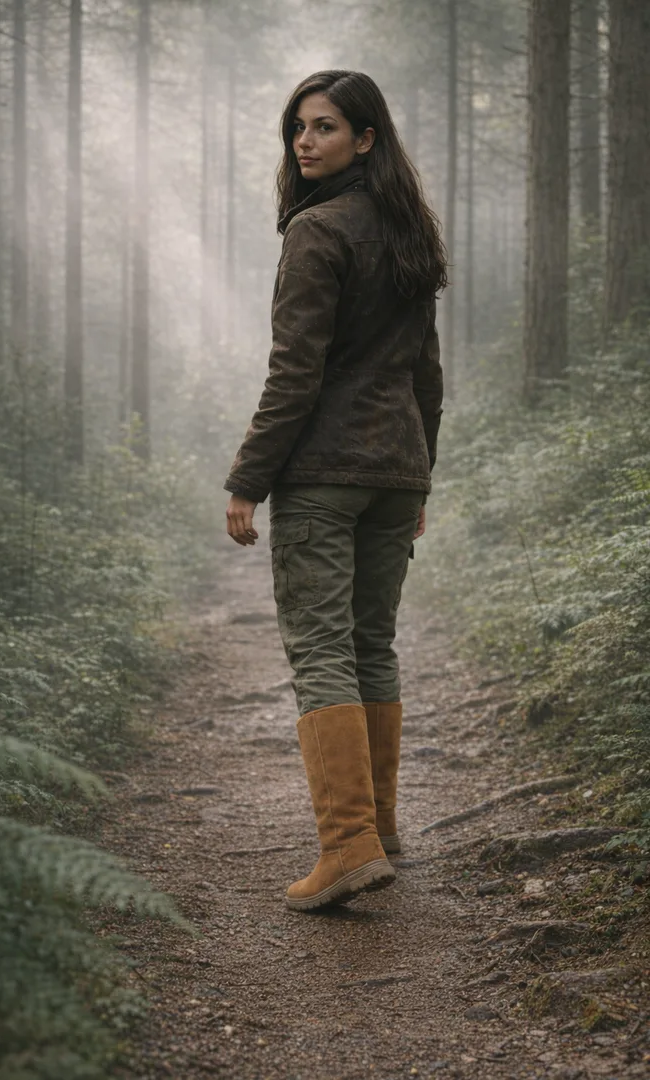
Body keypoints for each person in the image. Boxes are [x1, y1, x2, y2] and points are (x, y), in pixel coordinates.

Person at [223, 70, 446, 913]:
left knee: (324, 652)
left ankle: (347, 846)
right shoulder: (405, 234)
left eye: (324, 127)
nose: (304, 142)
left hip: (323, 475)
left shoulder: (318, 232)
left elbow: (295, 373)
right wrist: (420, 471)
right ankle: (380, 832)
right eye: (298, 128)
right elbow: (426, 374)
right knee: (369, 646)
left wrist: (250, 478)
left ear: (366, 139)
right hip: (394, 471)